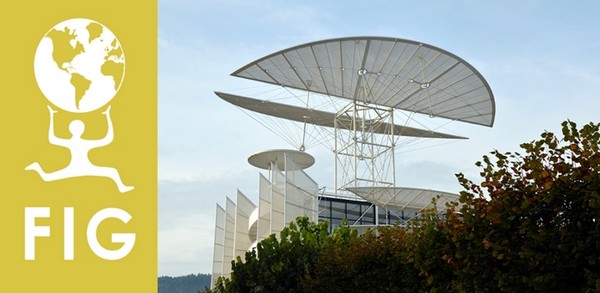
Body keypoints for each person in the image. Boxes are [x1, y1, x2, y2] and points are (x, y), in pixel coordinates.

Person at [25, 105, 134, 193]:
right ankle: (37, 167)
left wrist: (108, 116)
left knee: (112, 171)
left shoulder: (79, 142)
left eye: (80, 127)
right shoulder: (75, 142)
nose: (79, 129)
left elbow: (107, 139)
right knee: (47, 178)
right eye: (78, 127)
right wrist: (51, 116)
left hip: (86, 167)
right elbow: (52, 139)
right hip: (74, 168)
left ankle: (121, 188)